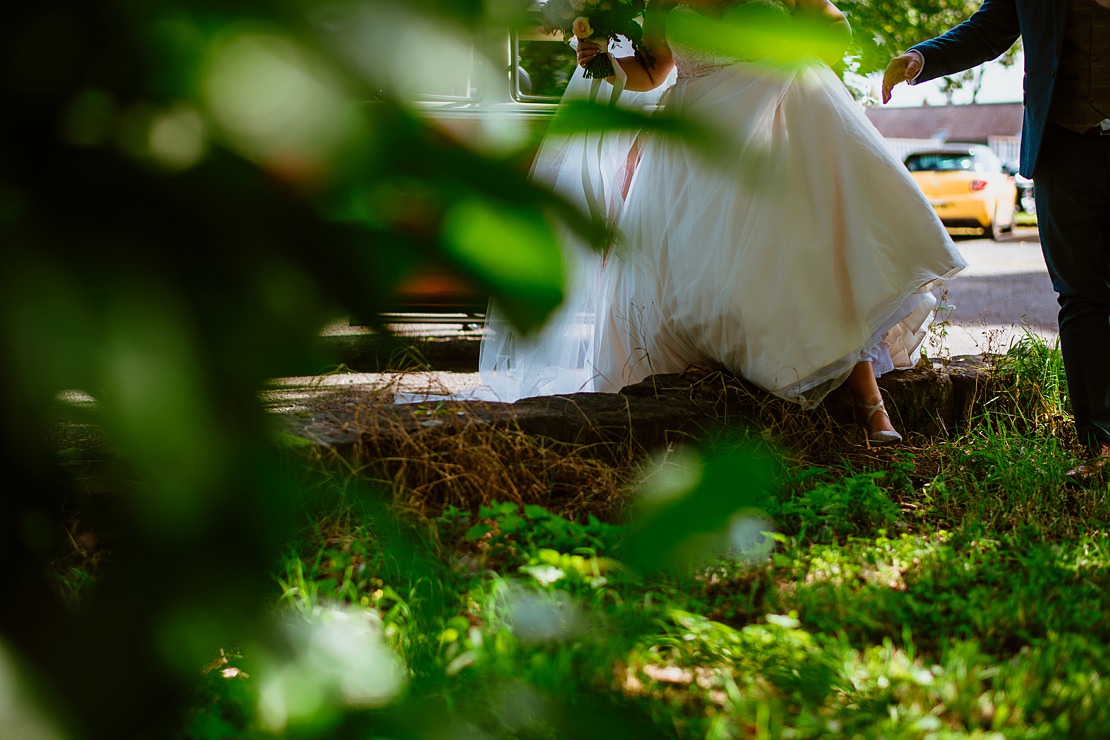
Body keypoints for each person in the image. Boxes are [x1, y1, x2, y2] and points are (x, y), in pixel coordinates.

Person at [479, 0, 966, 445]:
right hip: (699, 138)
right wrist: (599, 56)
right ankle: (722, 405)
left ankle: (869, 405)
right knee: (697, 275)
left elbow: (834, 28)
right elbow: (653, 71)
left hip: (780, 116)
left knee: (804, 246)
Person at [882, 0, 1110, 476]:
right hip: (1063, 148)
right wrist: (921, 58)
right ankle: (1100, 446)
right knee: (1081, 297)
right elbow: (989, 29)